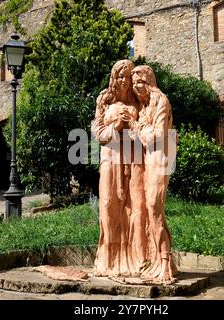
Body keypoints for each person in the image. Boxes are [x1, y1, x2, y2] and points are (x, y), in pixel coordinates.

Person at [123, 65, 177, 284]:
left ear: (149, 82)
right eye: (134, 84)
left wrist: (135, 126)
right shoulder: (145, 106)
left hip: (160, 160)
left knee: (155, 208)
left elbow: (156, 135)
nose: (136, 88)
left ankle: (165, 265)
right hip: (149, 161)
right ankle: (158, 260)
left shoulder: (161, 101)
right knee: (149, 209)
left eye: (140, 83)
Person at [91, 60, 146, 277]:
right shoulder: (105, 98)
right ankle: (108, 257)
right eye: (120, 76)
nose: (124, 80)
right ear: (115, 77)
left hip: (133, 157)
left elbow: (146, 126)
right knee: (108, 203)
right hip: (110, 155)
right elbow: (97, 131)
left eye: (128, 76)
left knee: (133, 206)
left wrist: (132, 127)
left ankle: (136, 256)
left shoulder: (138, 100)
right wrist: (116, 126)